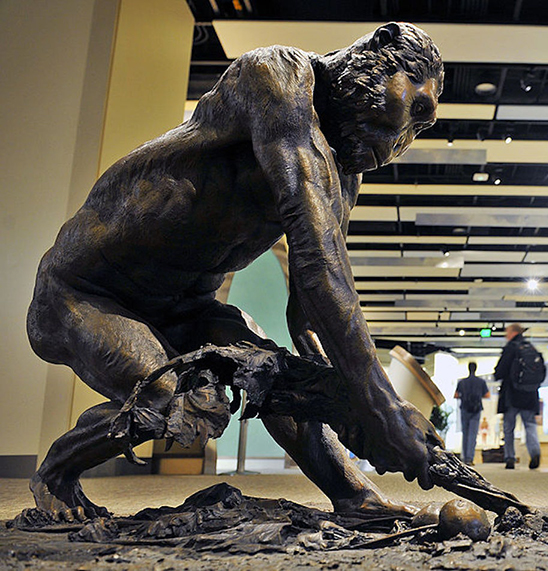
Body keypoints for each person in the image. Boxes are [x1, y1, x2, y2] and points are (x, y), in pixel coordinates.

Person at [26, 22, 444, 520]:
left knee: (278, 374)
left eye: (421, 129)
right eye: (415, 108)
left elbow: (307, 314)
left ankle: (355, 497)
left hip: (188, 306)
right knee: (166, 395)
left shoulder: (342, 174)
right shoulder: (277, 79)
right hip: (86, 291)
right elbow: (318, 262)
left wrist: (341, 400)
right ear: (379, 47)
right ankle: (56, 472)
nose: (404, 138)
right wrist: (382, 408)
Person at [494, 324, 542, 470]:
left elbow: (500, 371)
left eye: (507, 332)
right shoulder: (531, 348)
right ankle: (535, 452)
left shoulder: (510, 348)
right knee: (530, 425)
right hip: (529, 394)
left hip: (512, 394)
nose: (505, 335)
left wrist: (497, 374)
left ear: (513, 333)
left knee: (509, 427)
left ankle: (509, 458)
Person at [454, 362, 490, 467]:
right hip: (476, 409)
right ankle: (470, 458)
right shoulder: (481, 382)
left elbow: (456, 395)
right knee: (472, 434)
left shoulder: (462, 382)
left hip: (464, 408)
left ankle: (464, 458)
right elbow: (487, 395)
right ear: (476, 369)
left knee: (465, 433)